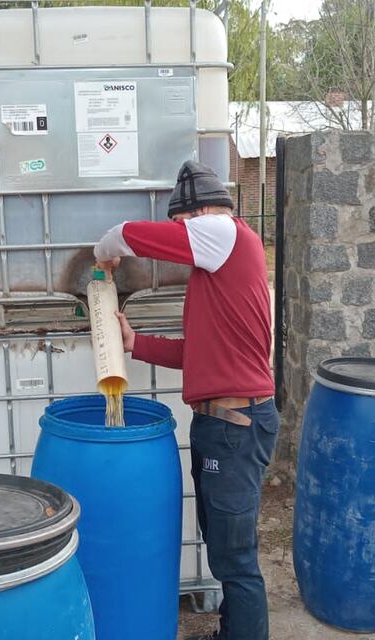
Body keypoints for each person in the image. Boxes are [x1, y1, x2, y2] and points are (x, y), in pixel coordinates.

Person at [93, 160, 278, 640]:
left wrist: (104, 252)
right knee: (224, 549)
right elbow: (196, 354)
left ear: (197, 214)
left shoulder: (225, 233)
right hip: (224, 423)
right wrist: (136, 344)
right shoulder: (218, 269)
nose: (181, 234)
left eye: (180, 223)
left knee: (235, 558)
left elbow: (127, 234)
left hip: (234, 424)